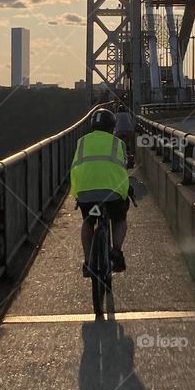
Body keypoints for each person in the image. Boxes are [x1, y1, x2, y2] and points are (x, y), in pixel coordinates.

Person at [70, 106, 131, 277]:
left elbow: (75, 168)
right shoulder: (118, 143)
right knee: (119, 218)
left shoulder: (81, 142)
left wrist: (76, 194)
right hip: (112, 193)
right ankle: (117, 252)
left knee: (88, 222)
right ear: (112, 127)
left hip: (85, 192)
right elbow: (123, 166)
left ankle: (88, 262)